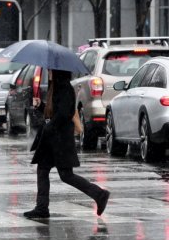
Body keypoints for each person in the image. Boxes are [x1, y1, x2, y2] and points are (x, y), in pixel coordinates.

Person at [24, 69, 110, 219]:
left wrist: (50, 126)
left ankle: (99, 194)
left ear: (58, 72)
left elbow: (63, 114)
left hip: (60, 139)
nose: (49, 73)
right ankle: (42, 207)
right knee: (43, 170)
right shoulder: (57, 87)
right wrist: (41, 106)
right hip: (53, 138)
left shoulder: (64, 88)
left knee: (66, 175)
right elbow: (54, 112)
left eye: (51, 71)